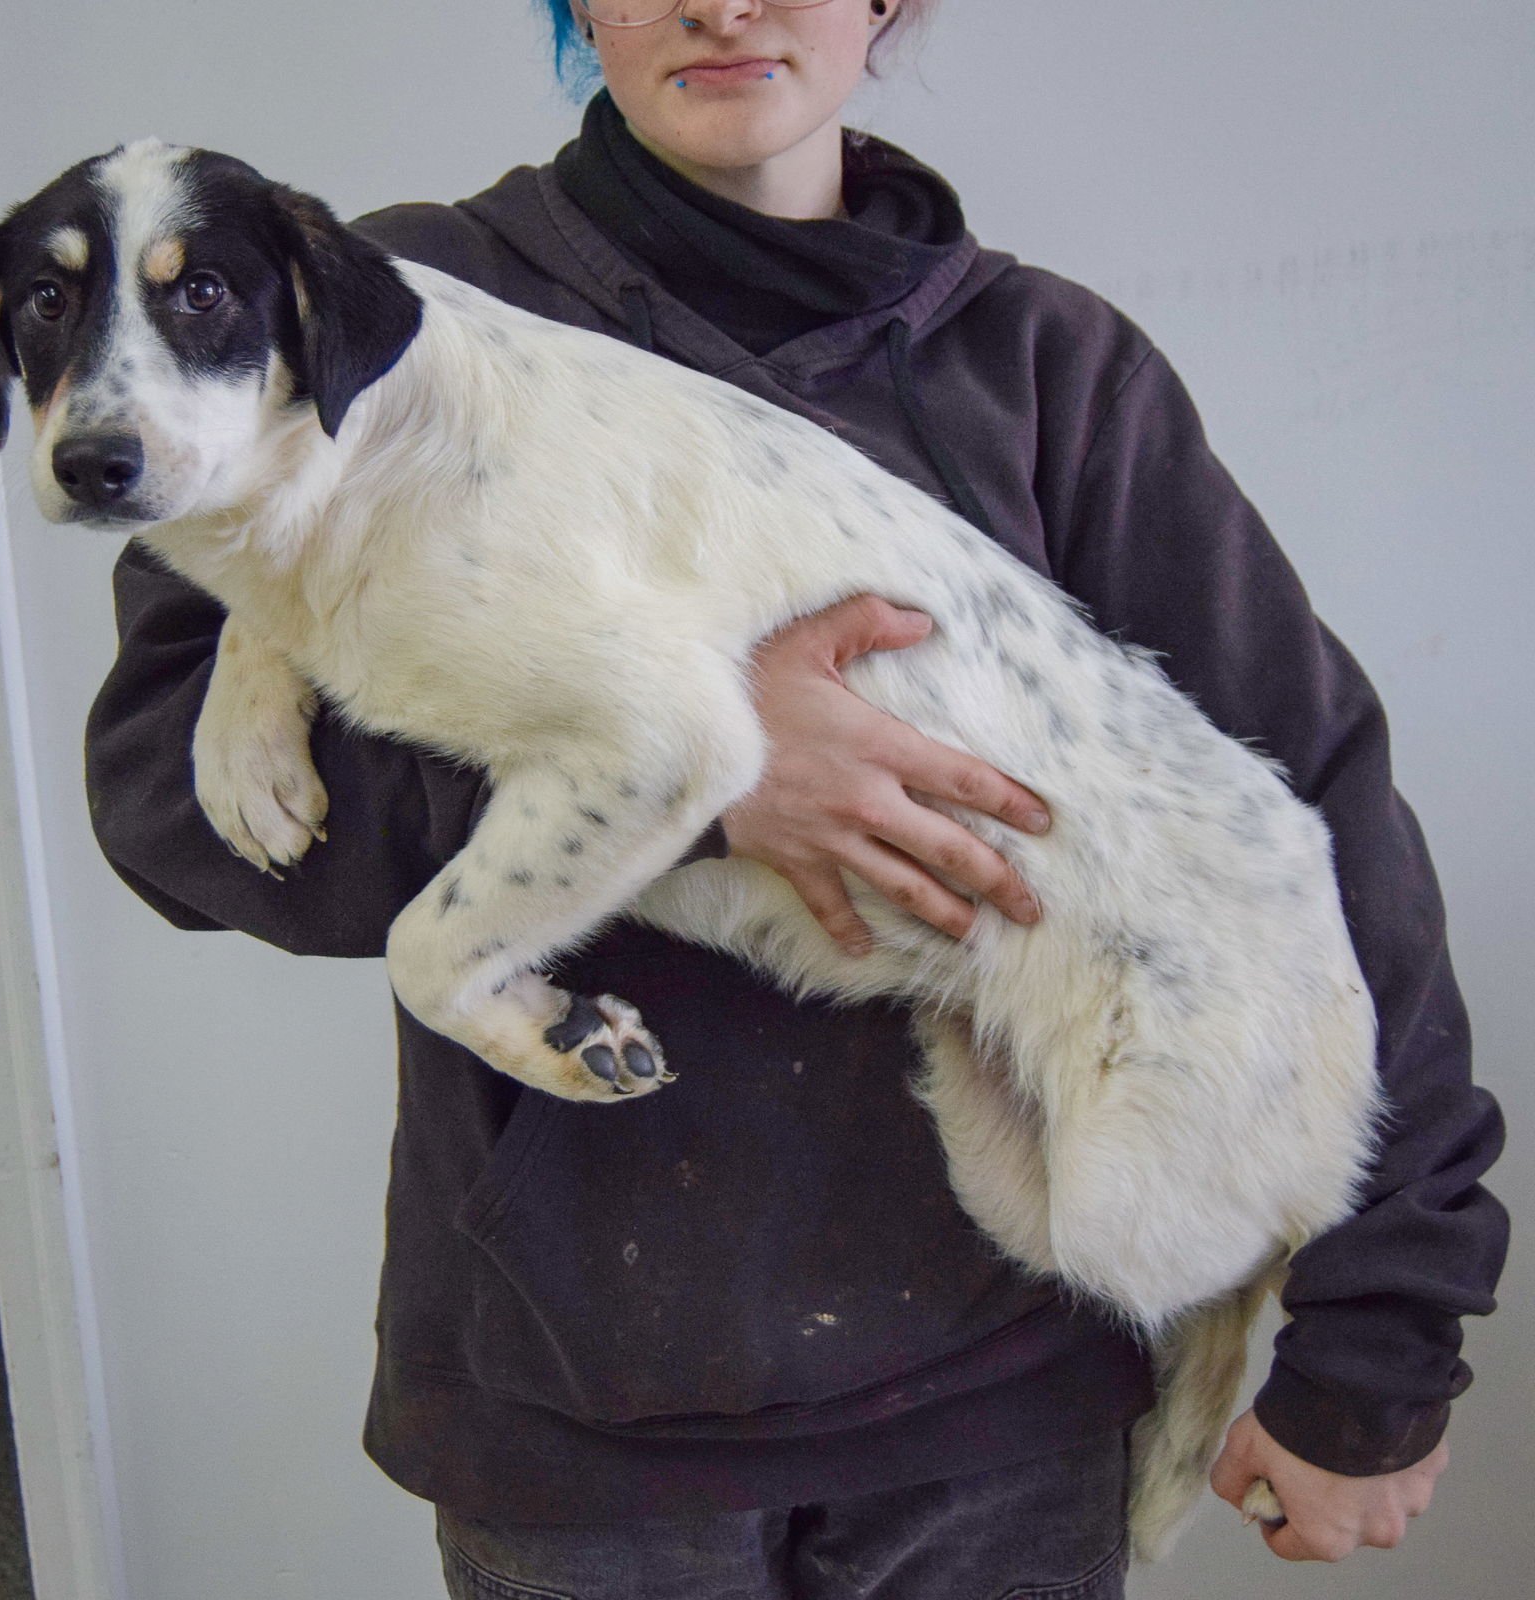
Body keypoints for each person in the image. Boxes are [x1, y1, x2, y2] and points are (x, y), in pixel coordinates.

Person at [84, 2, 1507, 1595]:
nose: (721, 3)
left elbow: (1306, 821)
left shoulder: (1049, 368)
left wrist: (1382, 1342)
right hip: (580, 1420)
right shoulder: (383, 302)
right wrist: (698, 779)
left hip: (1007, 1397)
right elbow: (167, 806)